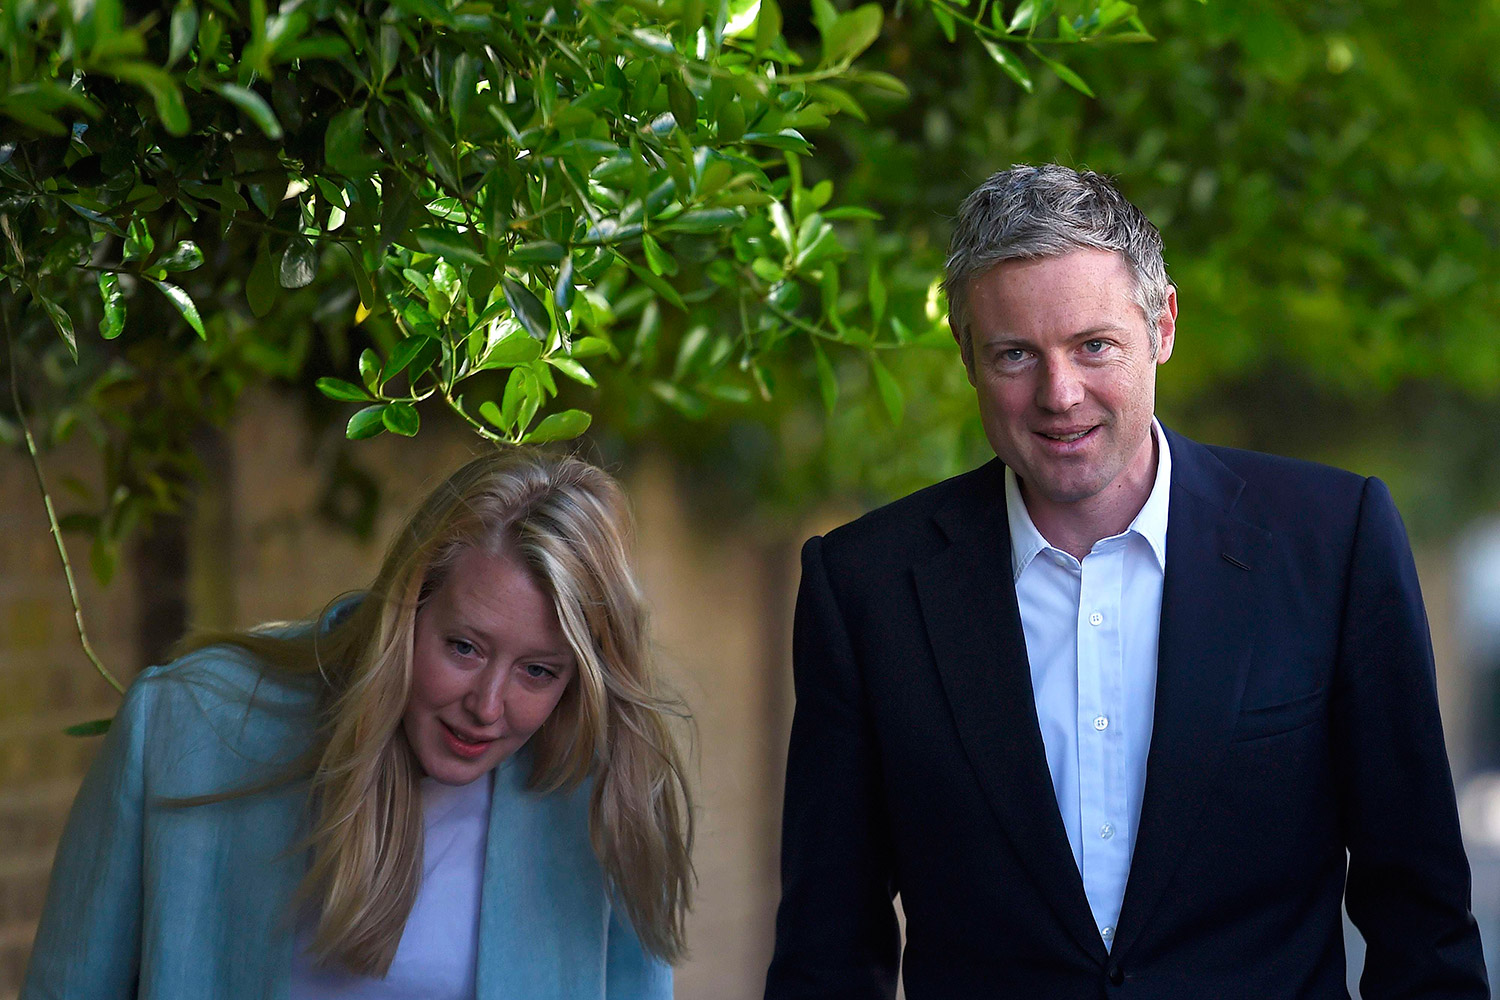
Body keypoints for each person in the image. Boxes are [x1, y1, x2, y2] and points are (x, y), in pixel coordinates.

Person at [764, 164, 1489, 998]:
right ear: (966, 355)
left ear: (1163, 325)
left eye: (1094, 345)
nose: (1059, 394)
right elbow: (826, 950)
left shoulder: (1332, 542)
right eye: (1014, 355)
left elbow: (1422, 923)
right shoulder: (867, 587)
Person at [23, 449, 692, 1000]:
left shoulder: (602, 798)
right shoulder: (188, 727)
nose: (488, 707)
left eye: (539, 671)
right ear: (407, 609)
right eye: (464, 647)